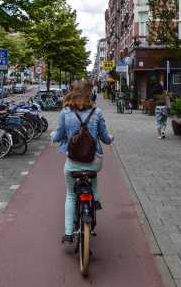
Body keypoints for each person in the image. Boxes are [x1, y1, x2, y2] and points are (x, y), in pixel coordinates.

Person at [51, 80, 113, 245]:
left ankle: (68, 233)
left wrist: (53, 137)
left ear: (72, 92)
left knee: (71, 194)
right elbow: (105, 137)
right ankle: (96, 198)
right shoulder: (97, 112)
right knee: (93, 173)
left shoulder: (65, 112)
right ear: (89, 93)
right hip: (94, 161)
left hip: (73, 161)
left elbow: (58, 135)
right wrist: (111, 138)